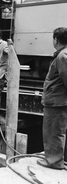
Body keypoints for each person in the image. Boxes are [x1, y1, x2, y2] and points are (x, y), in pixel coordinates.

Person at [37, 27, 67, 170]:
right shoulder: (62, 54)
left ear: (55, 40)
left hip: (56, 101)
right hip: (57, 100)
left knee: (53, 132)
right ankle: (57, 158)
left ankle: (54, 161)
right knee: (56, 131)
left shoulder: (62, 56)